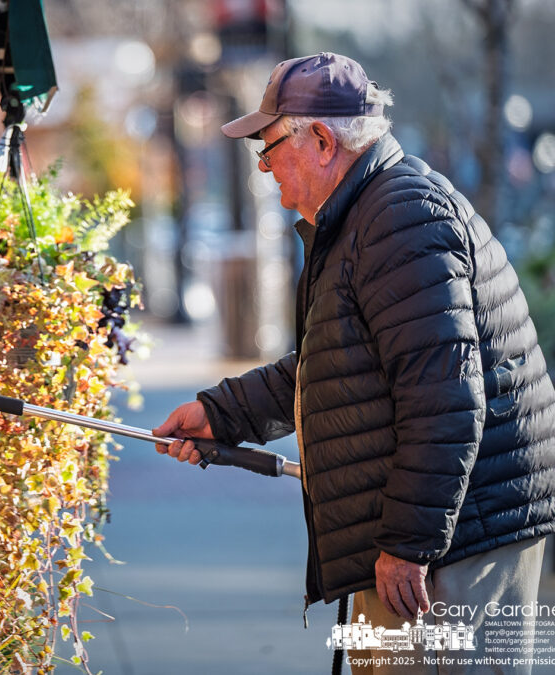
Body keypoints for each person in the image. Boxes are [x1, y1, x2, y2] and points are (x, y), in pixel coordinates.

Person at [153, 52, 555, 674]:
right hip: (434, 532)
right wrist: (220, 414)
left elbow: (444, 399)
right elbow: (335, 367)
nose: (263, 167)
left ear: (319, 140)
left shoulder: (399, 218)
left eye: (268, 147)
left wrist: (406, 544)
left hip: (453, 543)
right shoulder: (368, 213)